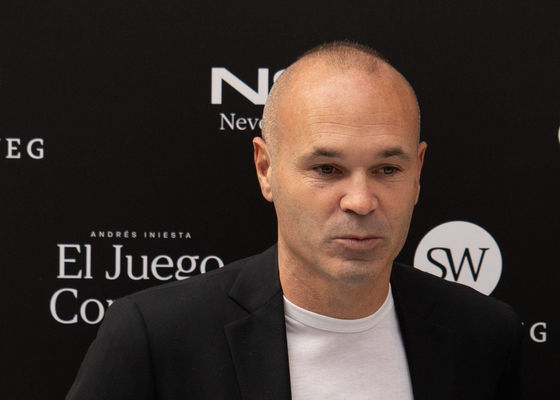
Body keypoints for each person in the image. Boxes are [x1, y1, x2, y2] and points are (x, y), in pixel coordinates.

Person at [67, 42, 523, 400]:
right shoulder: (155, 338)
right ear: (266, 169)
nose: (361, 201)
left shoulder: (484, 337)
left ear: (418, 172)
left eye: (387, 170)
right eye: (327, 169)